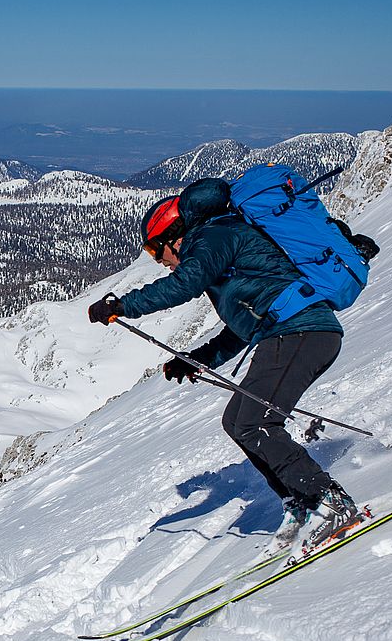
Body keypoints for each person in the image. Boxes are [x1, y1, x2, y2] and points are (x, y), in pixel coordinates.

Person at [88, 177, 363, 556]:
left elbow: (184, 285)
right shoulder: (223, 249)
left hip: (302, 332)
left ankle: (328, 501)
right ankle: (298, 502)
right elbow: (241, 329)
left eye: (156, 251)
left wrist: (121, 305)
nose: (160, 261)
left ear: (175, 235)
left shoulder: (214, 236)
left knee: (255, 422)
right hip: (287, 334)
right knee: (236, 420)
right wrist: (199, 359)